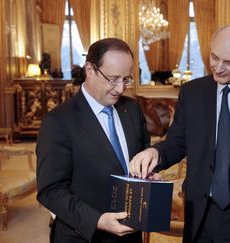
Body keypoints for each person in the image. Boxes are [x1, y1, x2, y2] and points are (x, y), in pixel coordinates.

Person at [129, 25, 230, 242]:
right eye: (214, 57)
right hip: (200, 212)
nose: (219, 67)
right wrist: (155, 153)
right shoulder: (192, 92)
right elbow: (177, 142)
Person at [36, 38, 150, 243]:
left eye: (126, 79)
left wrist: (149, 174)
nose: (120, 89)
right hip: (84, 235)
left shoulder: (132, 109)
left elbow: (140, 158)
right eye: (113, 79)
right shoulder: (58, 121)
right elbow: (50, 191)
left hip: (131, 233)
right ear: (90, 69)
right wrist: (97, 220)